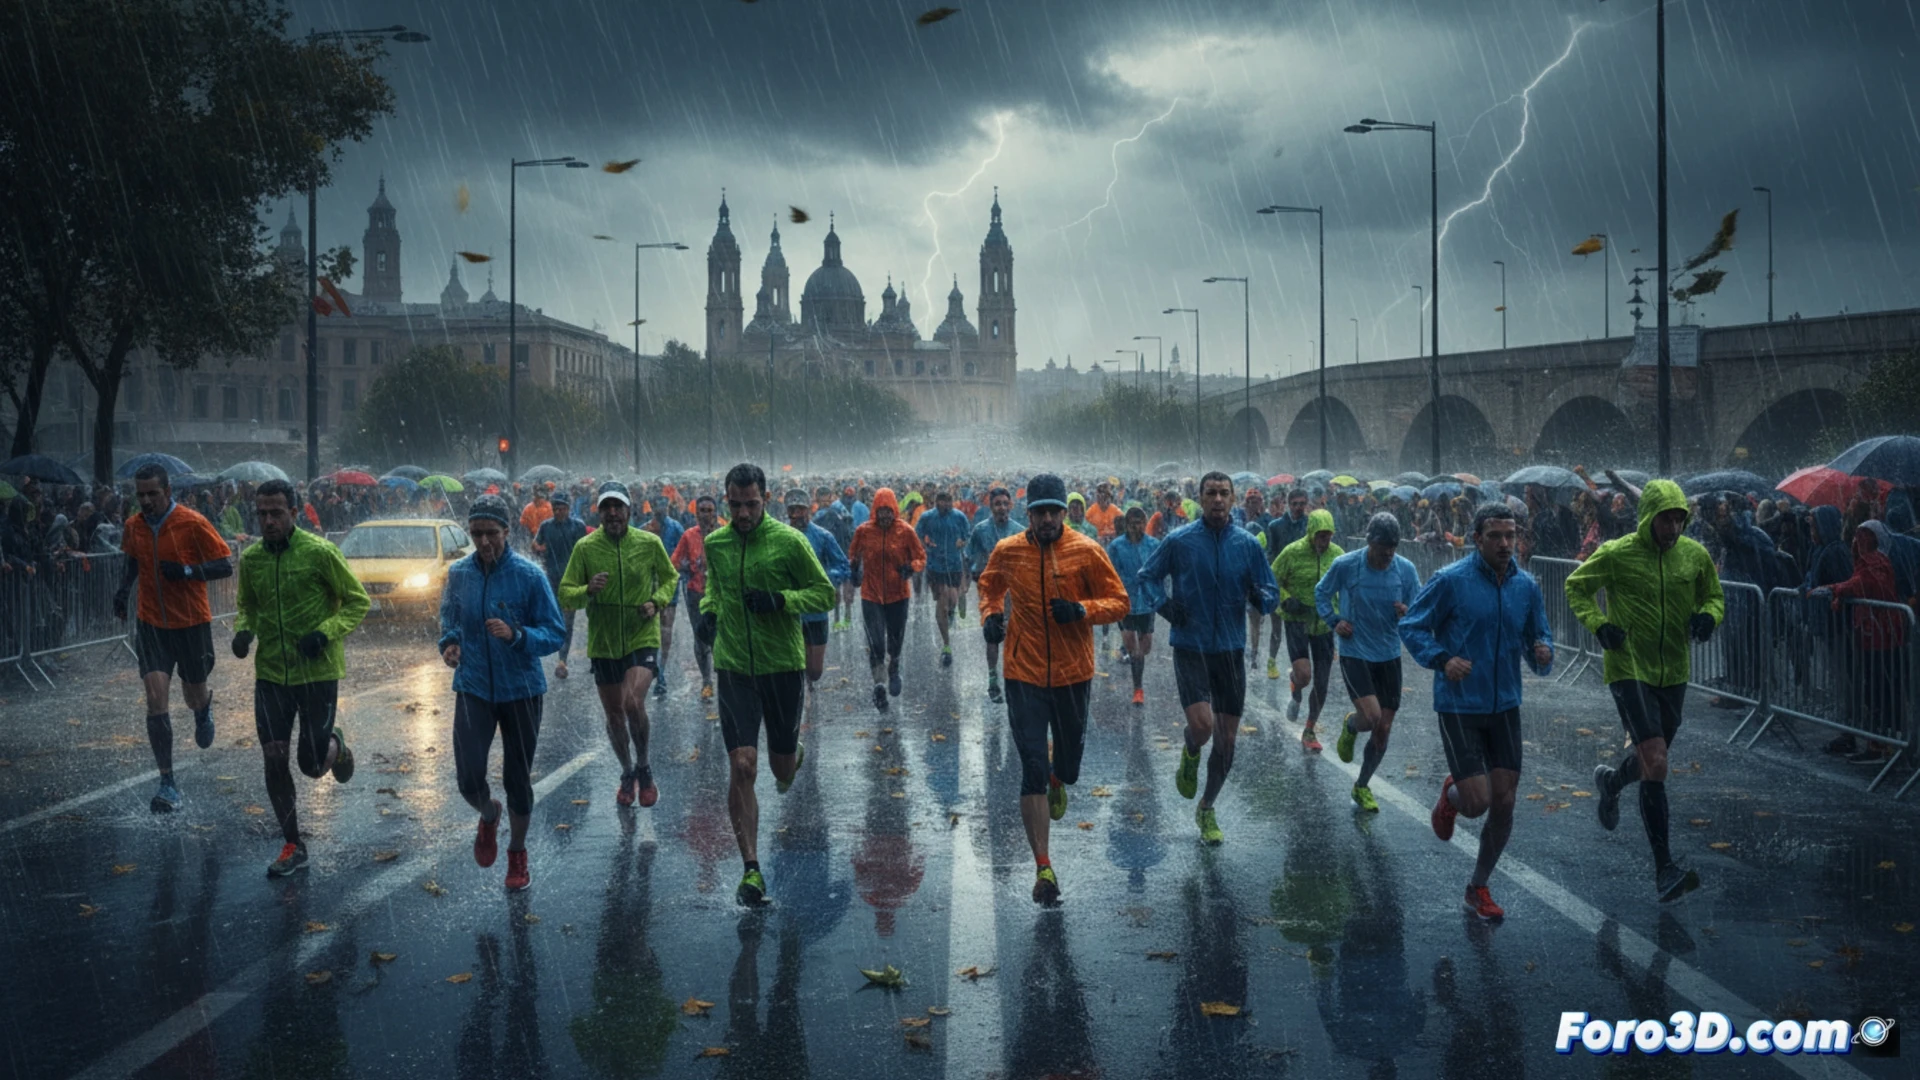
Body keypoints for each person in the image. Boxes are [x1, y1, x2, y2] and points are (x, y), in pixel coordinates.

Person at [1566, 479, 1721, 902]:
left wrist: (1709, 616)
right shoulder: (1617, 553)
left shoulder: (1695, 555)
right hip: (1628, 666)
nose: (1673, 528)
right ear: (1648, 518)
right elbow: (1575, 586)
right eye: (1665, 519)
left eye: (1679, 519)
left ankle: (1613, 783)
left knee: (1654, 762)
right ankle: (1664, 869)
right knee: (1656, 760)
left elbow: (1714, 596)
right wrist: (1600, 625)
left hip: (1673, 672)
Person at [979, 473, 1129, 905]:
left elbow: (1120, 601)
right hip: (1022, 672)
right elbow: (989, 586)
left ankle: (1059, 776)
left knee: (1068, 766)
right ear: (1028, 514)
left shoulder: (1086, 549)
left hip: (1072, 674)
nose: (1046, 518)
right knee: (1030, 767)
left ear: (1065, 512)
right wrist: (991, 615)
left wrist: (1082, 610)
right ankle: (1043, 866)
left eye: (1053, 511)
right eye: (1039, 511)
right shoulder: (1008, 550)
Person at [1399, 504, 1554, 920]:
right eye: (1496, 536)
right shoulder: (1450, 581)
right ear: (1477, 539)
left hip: (1505, 704)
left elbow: (1537, 632)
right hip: (1459, 704)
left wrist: (1543, 651)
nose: (1506, 544)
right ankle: (1452, 796)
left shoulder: (1527, 586)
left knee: (1504, 803)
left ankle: (1478, 886)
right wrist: (1442, 658)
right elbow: (1411, 625)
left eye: (1512, 535)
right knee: (1477, 803)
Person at [694, 464, 836, 906]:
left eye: (750, 504)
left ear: (766, 499)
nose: (742, 514)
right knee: (742, 765)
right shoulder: (715, 543)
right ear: (725, 501)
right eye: (734, 505)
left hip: (782, 666)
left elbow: (824, 593)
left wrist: (780, 600)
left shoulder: (790, 542)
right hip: (734, 666)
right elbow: (715, 588)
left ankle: (792, 757)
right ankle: (751, 870)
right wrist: (710, 611)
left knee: (779, 768)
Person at [232, 480, 370, 877]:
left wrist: (324, 633)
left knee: (310, 764)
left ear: (295, 512)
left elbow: (358, 601)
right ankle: (293, 844)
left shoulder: (320, 553)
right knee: (273, 756)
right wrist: (244, 631)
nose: (269, 521)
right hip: (272, 674)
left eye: (277, 512)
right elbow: (247, 606)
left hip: (318, 672)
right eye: (262, 514)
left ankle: (336, 746)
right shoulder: (253, 559)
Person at [1136, 472, 1279, 845]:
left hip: (1231, 649)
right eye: (1211, 493)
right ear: (1199, 498)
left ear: (1233, 500)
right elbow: (1147, 577)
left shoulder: (1247, 545)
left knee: (1228, 741)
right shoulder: (1180, 541)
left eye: (1224, 494)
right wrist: (1164, 606)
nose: (1217, 499)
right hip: (1191, 646)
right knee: (1203, 728)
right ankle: (1190, 748)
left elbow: (1270, 589)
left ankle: (1207, 807)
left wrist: (1261, 597)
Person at [439, 495, 566, 891]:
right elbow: (449, 615)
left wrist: (517, 635)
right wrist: (450, 642)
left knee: (517, 779)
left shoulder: (529, 576)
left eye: (491, 533)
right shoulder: (459, 573)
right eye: (476, 533)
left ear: (507, 532)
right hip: (474, 686)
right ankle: (488, 814)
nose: (484, 542)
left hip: (521, 690)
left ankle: (517, 852)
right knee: (467, 778)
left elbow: (555, 633)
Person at [114, 464, 233, 813]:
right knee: (155, 699)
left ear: (168, 492)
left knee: (192, 694)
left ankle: (202, 709)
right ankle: (167, 783)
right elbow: (132, 561)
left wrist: (187, 571)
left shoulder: (192, 522)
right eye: (141, 495)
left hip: (191, 622)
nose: (146, 500)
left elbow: (225, 564)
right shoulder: (133, 526)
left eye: (153, 493)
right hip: (151, 623)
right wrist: (123, 591)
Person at [558, 481, 677, 809]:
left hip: (642, 633)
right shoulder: (585, 548)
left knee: (631, 701)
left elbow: (670, 578)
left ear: (629, 511)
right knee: (613, 715)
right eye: (606, 508)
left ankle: (645, 766)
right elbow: (566, 592)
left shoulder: (649, 543)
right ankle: (627, 771)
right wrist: (587, 591)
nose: (613, 513)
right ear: (598, 513)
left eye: (618, 507)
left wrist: (656, 601)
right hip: (604, 641)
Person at [1316, 513, 1421, 812]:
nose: (1388, 554)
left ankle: (1362, 785)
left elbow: (1421, 605)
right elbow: (1322, 593)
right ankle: (1351, 725)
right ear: (1369, 542)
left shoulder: (1406, 569)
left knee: (1383, 729)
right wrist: (1334, 621)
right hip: (1355, 651)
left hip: (1389, 653)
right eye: (1381, 548)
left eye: (1393, 548)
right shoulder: (1347, 565)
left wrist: (1408, 611)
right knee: (1372, 716)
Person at [847, 487, 925, 712]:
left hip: (898, 595)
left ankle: (895, 666)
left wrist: (910, 568)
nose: (884, 516)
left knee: (895, 641)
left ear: (895, 510)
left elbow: (920, 556)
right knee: (876, 643)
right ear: (874, 511)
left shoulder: (906, 531)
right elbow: (852, 554)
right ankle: (879, 685)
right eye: (881, 511)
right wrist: (853, 567)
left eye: (888, 511)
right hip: (871, 594)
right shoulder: (863, 531)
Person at [1271, 507, 1343, 750]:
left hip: (1324, 624)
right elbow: (1272, 579)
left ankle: (1310, 729)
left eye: (1328, 536)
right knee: (1304, 675)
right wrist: (1285, 598)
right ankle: (1295, 683)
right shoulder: (1292, 552)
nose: (1324, 541)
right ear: (1311, 532)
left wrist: (1345, 614)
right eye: (1320, 535)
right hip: (1297, 620)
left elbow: (1348, 587)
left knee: (1322, 683)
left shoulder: (1338, 555)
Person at [784, 488, 850, 695]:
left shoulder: (823, 536)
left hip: (816, 609)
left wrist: (826, 577)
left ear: (809, 511)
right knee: (796, 661)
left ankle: (809, 679)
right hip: (791, 608)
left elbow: (843, 565)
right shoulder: (780, 537)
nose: (797, 515)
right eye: (792, 510)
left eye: (801, 510)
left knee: (815, 670)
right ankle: (801, 691)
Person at [968, 486, 1023, 703]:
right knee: (992, 634)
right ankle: (993, 679)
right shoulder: (980, 530)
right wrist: (970, 577)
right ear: (991, 507)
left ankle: (1013, 675)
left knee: (1011, 634)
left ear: (1010, 506)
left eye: (1004, 503)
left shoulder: (1019, 531)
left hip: (1013, 592)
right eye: (997, 504)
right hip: (990, 592)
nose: (1001, 507)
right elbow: (970, 556)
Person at [1105, 505, 1162, 706]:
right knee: (1132, 646)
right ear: (1127, 524)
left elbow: (1160, 571)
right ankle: (1138, 688)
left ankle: (1137, 670)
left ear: (1145, 524)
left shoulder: (1154, 545)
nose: (1136, 527)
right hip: (1125, 602)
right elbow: (1109, 572)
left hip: (1147, 603)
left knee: (1144, 648)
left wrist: (1161, 596)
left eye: (1139, 523)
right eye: (1132, 523)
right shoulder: (1116, 546)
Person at [531, 493, 588, 681]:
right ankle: (556, 651)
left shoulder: (578, 526)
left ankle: (562, 660)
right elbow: (536, 544)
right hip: (552, 579)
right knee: (554, 618)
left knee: (567, 620)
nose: (558, 511)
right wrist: (538, 549)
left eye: (561, 508)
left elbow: (585, 549)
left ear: (568, 508)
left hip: (572, 579)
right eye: (555, 508)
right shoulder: (546, 526)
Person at [916, 488, 972, 668]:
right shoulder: (927, 517)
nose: (945, 504)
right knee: (941, 599)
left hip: (954, 564)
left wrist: (962, 542)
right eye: (942, 501)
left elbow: (967, 535)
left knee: (952, 598)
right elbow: (917, 535)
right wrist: (925, 545)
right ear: (937, 501)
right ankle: (946, 645)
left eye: (949, 501)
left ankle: (952, 609)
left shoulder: (959, 517)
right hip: (935, 565)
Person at [671, 495, 720, 700]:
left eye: (710, 510)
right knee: (701, 638)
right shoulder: (689, 536)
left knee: (721, 636)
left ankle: (725, 675)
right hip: (696, 593)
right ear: (696, 513)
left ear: (715, 513)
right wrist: (686, 567)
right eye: (702, 511)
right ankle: (707, 681)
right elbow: (674, 562)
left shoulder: (724, 533)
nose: (706, 515)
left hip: (720, 594)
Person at [639, 496, 686, 698]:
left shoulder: (676, 528)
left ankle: (662, 670)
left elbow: (684, 553)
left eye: (664, 505)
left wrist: (678, 567)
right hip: (649, 584)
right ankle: (653, 665)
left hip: (669, 584)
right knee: (653, 627)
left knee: (666, 628)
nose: (661, 509)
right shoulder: (644, 528)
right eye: (657, 505)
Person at [815, 486, 858, 629]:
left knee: (846, 589)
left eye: (826, 496)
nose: (824, 500)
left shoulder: (838, 510)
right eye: (822, 497)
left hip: (842, 553)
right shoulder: (817, 515)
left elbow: (848, 530)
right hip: (828, 556)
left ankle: (846, 617)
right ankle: (837, 619)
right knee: (835, 590)